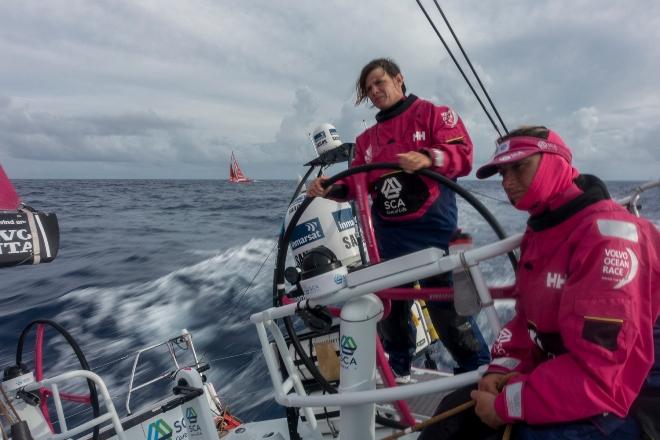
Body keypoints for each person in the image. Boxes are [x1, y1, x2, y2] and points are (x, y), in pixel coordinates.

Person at [419, 126, 660, 440]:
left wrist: (506, 405)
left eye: (519, 166)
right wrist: (500, 371)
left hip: (635, 393)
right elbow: (527, 321)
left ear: (556, 161)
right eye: (502, 172)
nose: (507, 182)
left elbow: (600, 375)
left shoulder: (608, 240)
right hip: (569, 371)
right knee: (454, 413)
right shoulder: (543, 231)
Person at [307, 58, 490, 381]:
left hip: (435, 236)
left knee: (448, 312)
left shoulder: (435, 115)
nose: (375, 91)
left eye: (380, 82)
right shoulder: (366, 142)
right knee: (391, 311)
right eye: (369, 88)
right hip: (389, 240)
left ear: (399, 79)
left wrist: (428, 157)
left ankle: (478, 371)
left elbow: (462, 156)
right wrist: (328, 188)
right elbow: (353, 185)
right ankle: (400, 369)